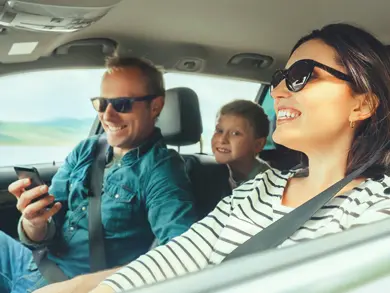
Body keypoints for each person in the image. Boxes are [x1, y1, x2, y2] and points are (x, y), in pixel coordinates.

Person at [42, 22, 390, 293]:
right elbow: (179, 256)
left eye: (301, 77)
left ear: (363, 103)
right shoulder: (261, 187)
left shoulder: (376, 210)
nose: (279, 91)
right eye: (279, 78)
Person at [2, 56, 198, 293]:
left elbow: (182, 254)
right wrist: (34, 223)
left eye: (122, 104)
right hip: (34, 265)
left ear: (155, 106)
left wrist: (74, 287)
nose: (107, 115)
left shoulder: (162, 170)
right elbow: (50, 224)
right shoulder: (87, 149)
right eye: (101, 103)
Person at [211, 99, 270, 190]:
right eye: (219, 131)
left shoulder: (266, 183)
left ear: (258, 144)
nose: (222, 140)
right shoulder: (209, 171)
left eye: (235, 133)